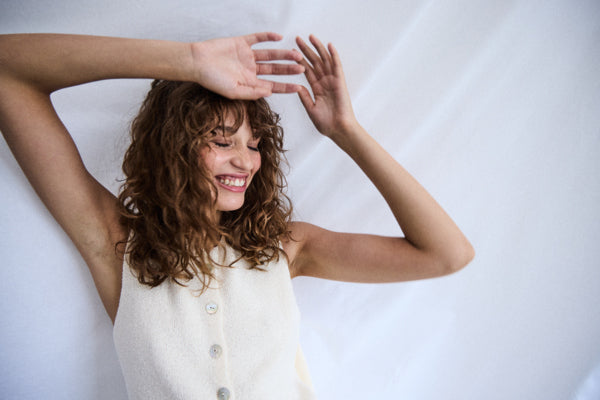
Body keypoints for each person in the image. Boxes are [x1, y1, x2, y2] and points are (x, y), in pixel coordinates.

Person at [0, 32, 474, 400]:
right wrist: (188, 61)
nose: (245, 162)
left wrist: (345, 131)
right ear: (171, 148)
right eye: (222, 141)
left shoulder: (286, 248)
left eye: (254, 145)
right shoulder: (118, 245)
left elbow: (447, 254)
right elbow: (8, 70)